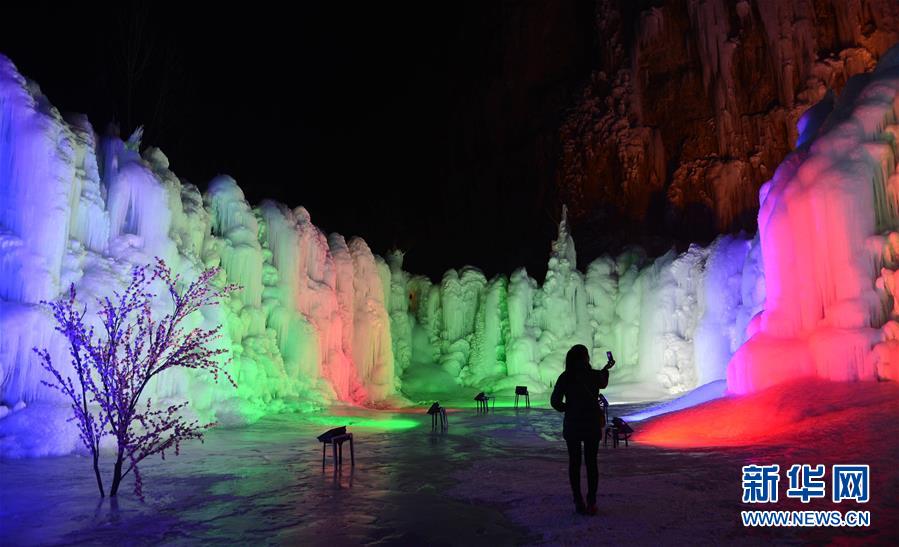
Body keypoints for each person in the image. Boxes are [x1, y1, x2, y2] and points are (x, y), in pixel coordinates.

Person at [550, 344, 615, 515]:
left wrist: (568, 407)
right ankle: (591, 501)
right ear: (585, 358)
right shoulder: (593, 375)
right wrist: (607, 368)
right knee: (591, 463)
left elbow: (555, 401)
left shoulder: (565, 377)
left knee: (574, 463)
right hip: (591, 423)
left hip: (572, 424)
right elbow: (603, 381)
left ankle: (578, 500)